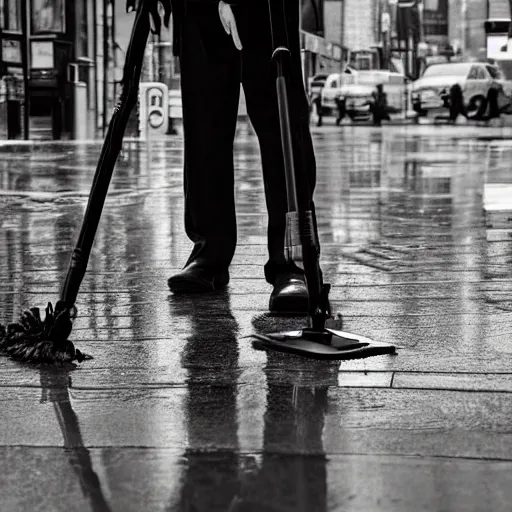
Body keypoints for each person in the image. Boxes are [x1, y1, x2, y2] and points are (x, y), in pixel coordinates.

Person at [128, 0, 319, 313]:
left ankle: (293, 260)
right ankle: (209, 254)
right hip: (199, 9)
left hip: (265, 8)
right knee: (205, 129)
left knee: (281, 124)